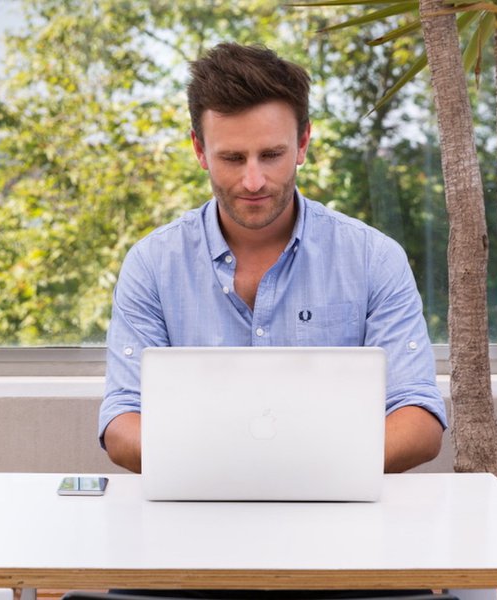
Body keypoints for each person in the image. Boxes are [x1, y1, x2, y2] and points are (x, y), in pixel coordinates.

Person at [99, 42, 446, 475]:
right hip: (199, 511)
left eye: (271, 155)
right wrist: (239, 468)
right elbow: (122, 418)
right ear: (199, 150)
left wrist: (291, 469)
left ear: (302, 143)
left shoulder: (373, 258)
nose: (253, 180)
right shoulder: (152, 264)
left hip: (336, 514)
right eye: (232, 157)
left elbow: (418, 418)